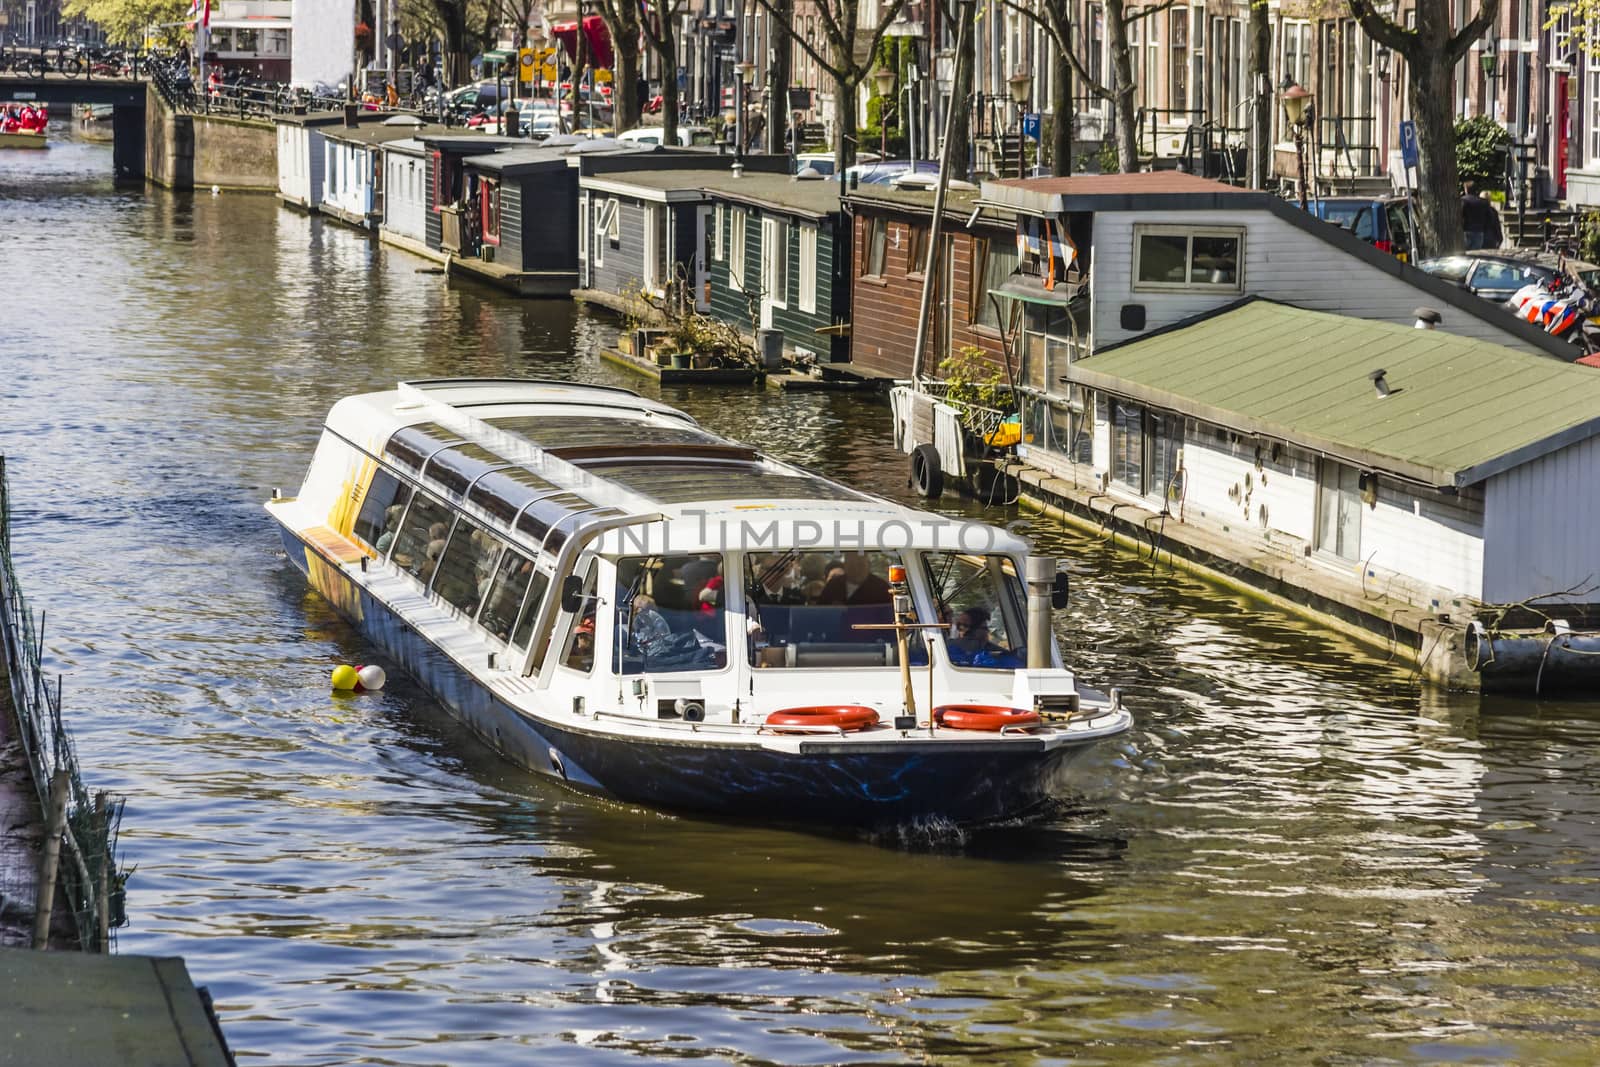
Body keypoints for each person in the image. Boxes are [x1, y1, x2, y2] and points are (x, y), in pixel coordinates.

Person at [816, 553, 891, 605]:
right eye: (851, 565)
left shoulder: (881, 588)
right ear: (845, 565)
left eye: (860, 565)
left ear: (868, 565)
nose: (856, 569)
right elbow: (820, 612)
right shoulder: (833, 586)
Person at [1461, 181, 1503, 251]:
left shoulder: (1463, 200)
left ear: (1466, 190)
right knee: (1475, 253)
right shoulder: (1483, 203)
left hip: (1466, 230)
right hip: (1479, 231)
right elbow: (1489, 218)